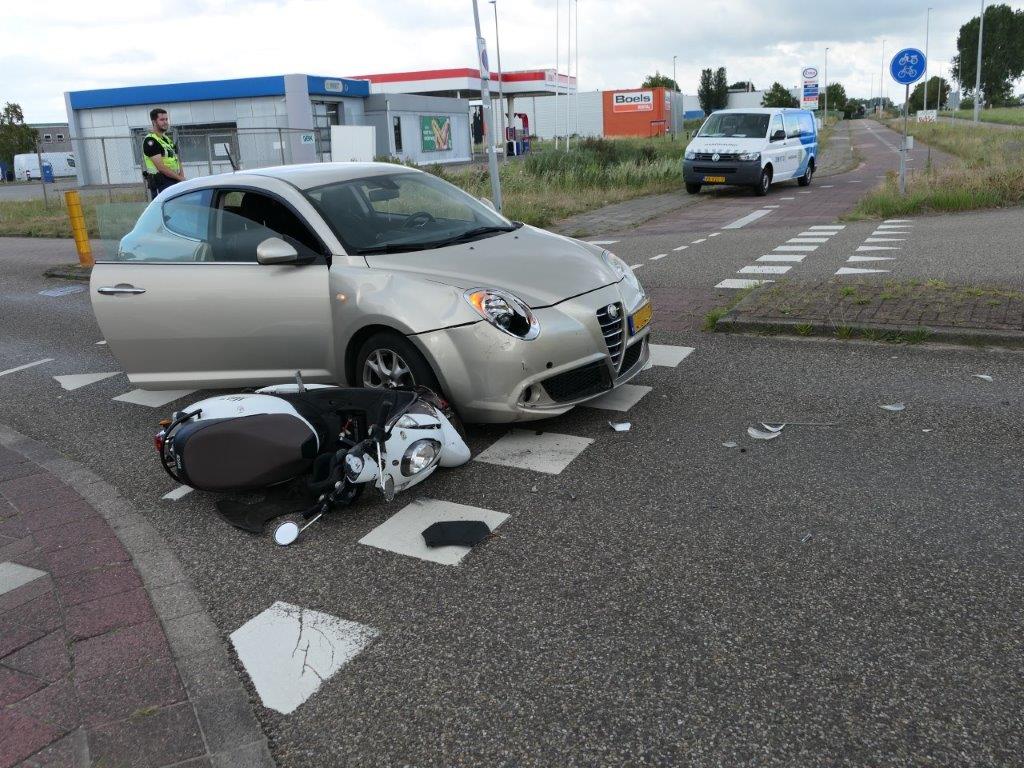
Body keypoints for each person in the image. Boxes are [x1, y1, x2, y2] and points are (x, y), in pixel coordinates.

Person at [142, 108, 184, 200]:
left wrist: (182, 177)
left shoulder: (167, 140)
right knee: (162, 212)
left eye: (166, 119)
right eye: (162, 120)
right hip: (161, 183)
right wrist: (180, 178)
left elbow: (177, 160)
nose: (165, 122)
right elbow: (161, 167)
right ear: (154, 122)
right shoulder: (150, 141)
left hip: (174, 181)